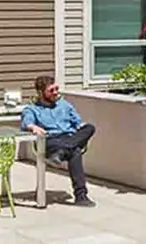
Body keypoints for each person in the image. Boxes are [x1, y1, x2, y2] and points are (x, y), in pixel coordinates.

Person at [21, 75, 97, 206]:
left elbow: (78, 122)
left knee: (90, 127)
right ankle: (81, 196)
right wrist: (33, 126)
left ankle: (63, 151)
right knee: (75, 152)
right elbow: (26, 122)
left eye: (56, 89)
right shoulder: (32, 109)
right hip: (51, 140)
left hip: (69, 137)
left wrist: (80, 127)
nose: (55, 92)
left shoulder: (65, 105)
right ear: (40, 93)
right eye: (51, 90)